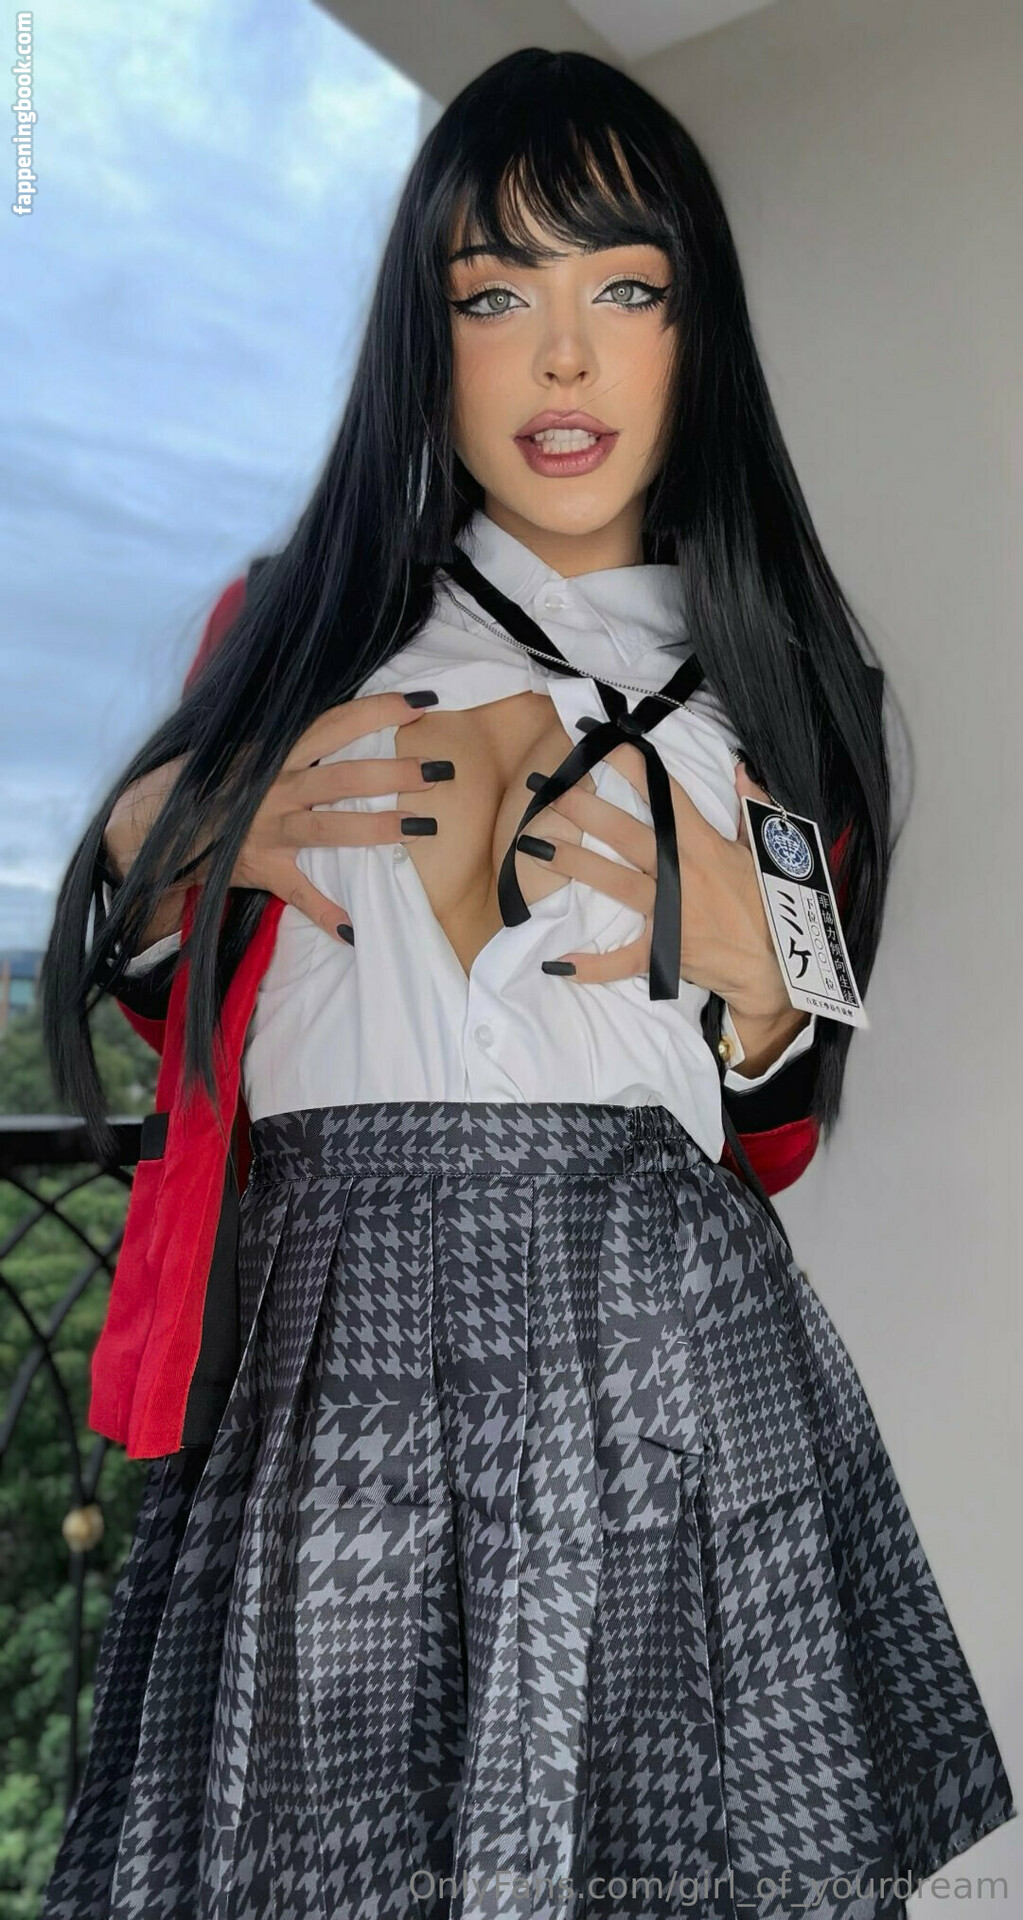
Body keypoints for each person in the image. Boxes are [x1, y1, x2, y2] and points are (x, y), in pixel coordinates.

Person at [39, 45, 1013, 1920]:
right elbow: (171, 987)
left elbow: (776, 1122)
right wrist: (151, 844)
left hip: (675, 1359)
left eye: (624, 291)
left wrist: (755, 983)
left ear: (695, 335)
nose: (564, 360)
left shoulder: (793, 686)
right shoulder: (294, 626)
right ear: (432, 344)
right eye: (497, 297)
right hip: (331, 1338)